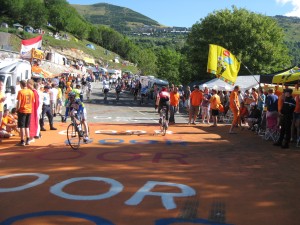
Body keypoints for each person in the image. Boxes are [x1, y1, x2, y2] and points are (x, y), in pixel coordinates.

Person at [16, 80, 35, 146]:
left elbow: (19, 102)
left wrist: (17, 109)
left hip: (22, 110)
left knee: (22, 126)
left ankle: (22, 141)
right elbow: (33, 101)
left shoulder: (20, 92)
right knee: (27, 126)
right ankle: (27, 139)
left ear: (21, 85)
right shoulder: (31, 92)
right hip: (29, 110)